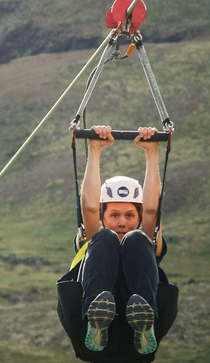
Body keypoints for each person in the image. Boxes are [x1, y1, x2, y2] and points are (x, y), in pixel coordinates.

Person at [56, 125, 178, 363]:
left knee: (138, 239)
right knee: (104, 239)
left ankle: (143, 324)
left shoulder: (145, 242)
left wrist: (152, 152)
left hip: (135, 345)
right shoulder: (95, 240)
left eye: (130, 215)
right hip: (91, 340)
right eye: (114, 215)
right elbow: (90, 207)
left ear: (139, 218)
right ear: (103, 218)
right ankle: (96, 320)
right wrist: (95, 148)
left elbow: (152, 209)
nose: (122, 222)